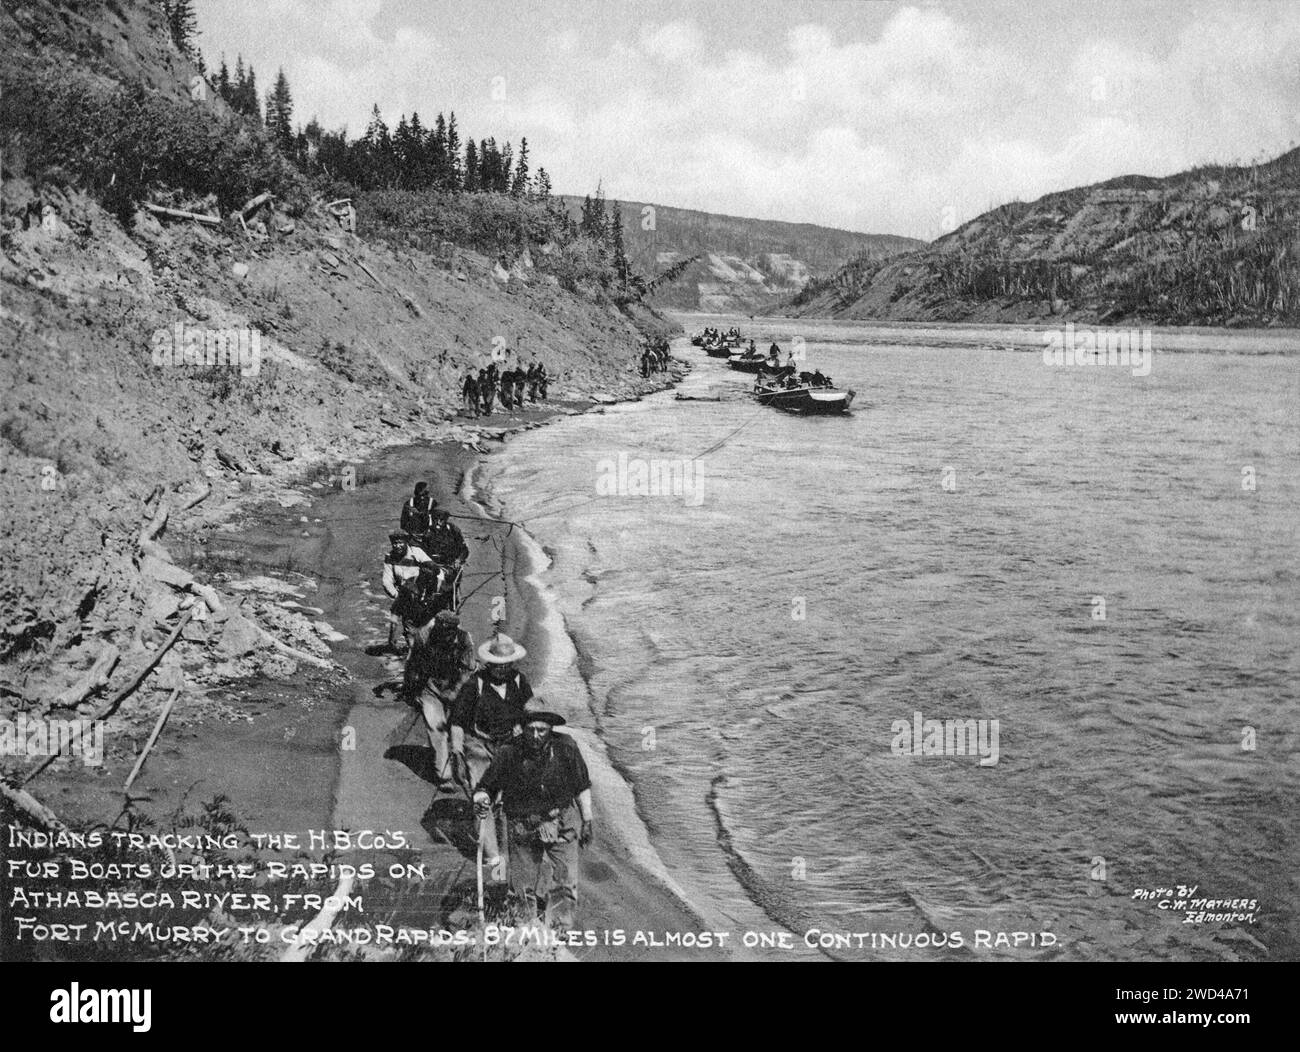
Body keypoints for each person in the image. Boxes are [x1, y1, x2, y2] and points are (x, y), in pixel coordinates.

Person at [473, 702, 593, 930]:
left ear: (550, 729)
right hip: (522, 825)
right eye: (531, 730)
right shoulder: (508, 752)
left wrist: (587, 820)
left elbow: (581, 786)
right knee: (523, 885)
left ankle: (559, 929)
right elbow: (485, 786)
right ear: (522, 728)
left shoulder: (566, 748)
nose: (536, 736)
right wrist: (481, 799)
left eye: (542, 730)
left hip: (562, 820)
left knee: (565, 879)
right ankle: (524, 929)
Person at [450, 633, 534, 872]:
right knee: (483, 798)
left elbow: (531, 712)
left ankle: (515, 846)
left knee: (509, 797)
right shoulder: (474, 684)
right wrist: (456, 750)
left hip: (510, 746)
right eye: (498, 665)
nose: (502, 669)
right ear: (489, 663)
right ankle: (492, 855)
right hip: (479, 746)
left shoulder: (519, 681)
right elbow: (457, 720)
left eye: (507, 664)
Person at [405, 609, 476, 781]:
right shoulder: (424, 636)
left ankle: (461, 760)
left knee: (459, 727)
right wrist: (410, 690)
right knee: (437, 728)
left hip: (455, 686)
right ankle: (443, 772)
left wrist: (457, 692)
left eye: (448, 633)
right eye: (441, 632)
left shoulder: (465, 639)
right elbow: (412, 664)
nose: (444, 637)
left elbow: (468, 670)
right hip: (430, 687)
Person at [381, 532, 433, 653]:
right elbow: (387, 581)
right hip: (403, 594)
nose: (397, 546)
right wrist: (396, 595)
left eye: (400, 542)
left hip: (421, 592)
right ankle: (395, 645)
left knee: (416, 624)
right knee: (396, 621)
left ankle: (417, 649)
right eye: (395, 543)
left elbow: (433, 569)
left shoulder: (417, 553)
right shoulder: (390, 557)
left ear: (406, 542)